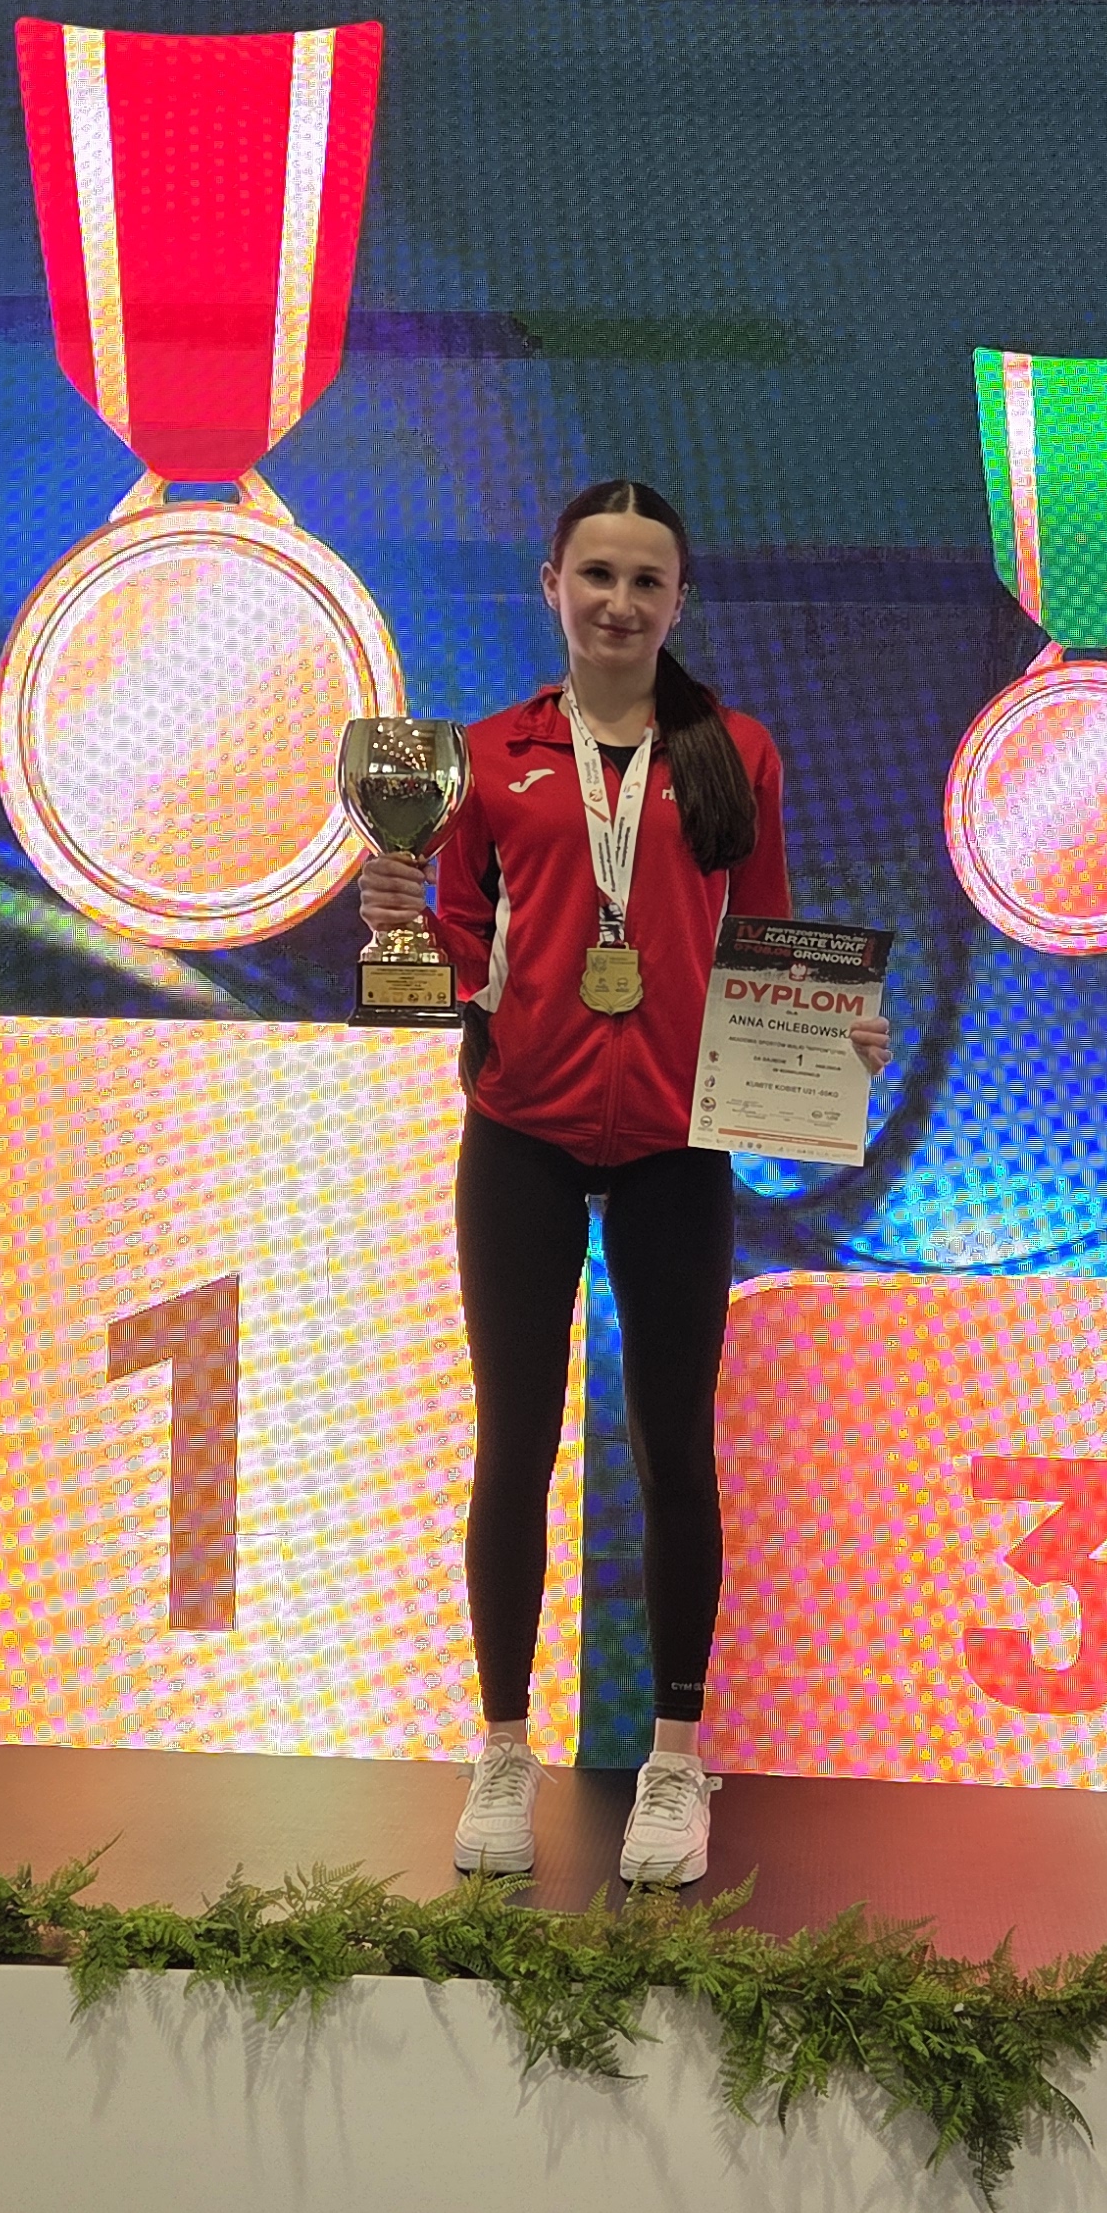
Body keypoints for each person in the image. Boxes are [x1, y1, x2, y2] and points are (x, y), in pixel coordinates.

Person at [357, 480, 886, 1891]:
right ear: (551, 585)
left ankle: (675, 1759)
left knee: (673, 1451)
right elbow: (457, 951)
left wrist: (831, 1034)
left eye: (647, 581)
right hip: (520, 1135)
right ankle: (502, 1750)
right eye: (597, 574)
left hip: (673, 1144)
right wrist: (404, 929)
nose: (619, 602)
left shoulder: (733, 755)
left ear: (679, 603)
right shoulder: (486, 758)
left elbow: (767, 938)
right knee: (513, 1443)